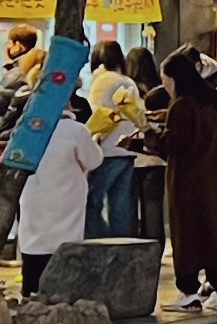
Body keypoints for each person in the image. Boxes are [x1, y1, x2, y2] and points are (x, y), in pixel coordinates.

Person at [158, 50, 217, 312]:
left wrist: (147, 137)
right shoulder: (214, 100)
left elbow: (174, 142)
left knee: (188, 236)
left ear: (176, 78)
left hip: (189, 181)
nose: (164, 84)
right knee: (215, 233)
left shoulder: (183, 105)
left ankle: (189, 293)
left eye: (166, 79)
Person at [16, 90, 97, 299]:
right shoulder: (75, 130)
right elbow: (94, 159)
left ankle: (30, 291)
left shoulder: (27, 128)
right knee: (64, 247)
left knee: (34, 245)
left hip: (33, 197)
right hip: (66, 198)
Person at [84, 39, 146, 239]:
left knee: (93, 203)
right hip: (127, 150)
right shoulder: (129, 82)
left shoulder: (102, 81)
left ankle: (100, 246)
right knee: (120, 205)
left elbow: (97, 115)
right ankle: (122, 249)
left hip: (106, 150)